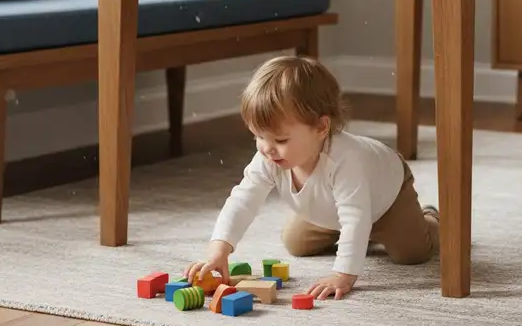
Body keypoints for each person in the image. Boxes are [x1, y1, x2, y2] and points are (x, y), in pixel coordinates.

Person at [185, 55, 440, 300]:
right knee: (296, 243)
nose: (267, 148)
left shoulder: (346, 161)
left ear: (321, 128)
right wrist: (219, 250)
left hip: (388, 199)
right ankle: (361, 236)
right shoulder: (269, 157)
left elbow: (355, 218)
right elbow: (242, 200)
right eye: (258, 136)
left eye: (280, 139)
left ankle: (429, 218)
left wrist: (343, 275)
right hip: (333, 208)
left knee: (412, 253)